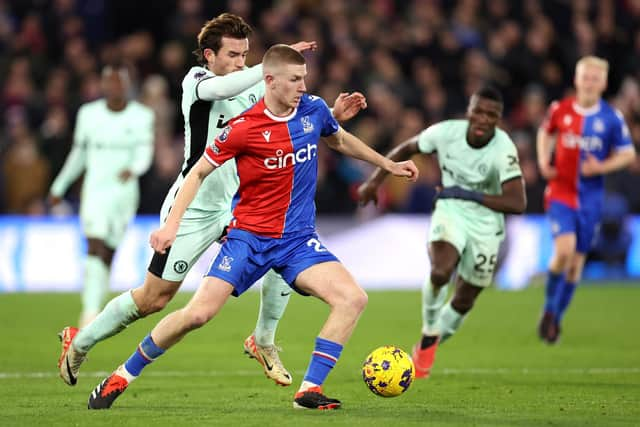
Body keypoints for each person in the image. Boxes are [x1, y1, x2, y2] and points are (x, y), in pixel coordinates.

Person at [85, 44, 417, 410]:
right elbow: (197, 172)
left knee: (353, 298)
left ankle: (308, 390)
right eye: (295, 80)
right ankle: (121, 375)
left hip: (297, 240)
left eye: (304, 78)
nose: (303, 86)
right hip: (249, 240)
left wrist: (387, 164)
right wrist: (171, 226)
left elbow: (337, 138)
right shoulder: (243, 128)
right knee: (197, 315)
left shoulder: (314, 110)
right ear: (270, 81)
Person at [57, 13, 366, 389]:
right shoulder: (197, 82)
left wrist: (330, 116)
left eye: (247, 54)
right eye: (234, 55)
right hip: (193, 208)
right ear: (209, 56)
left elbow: (290, 124)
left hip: (235, 206)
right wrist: (267, 66)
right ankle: (82, 339)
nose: (242, 62)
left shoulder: (255, 86)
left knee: (281, 246)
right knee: (153, 299)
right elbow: (225, 90)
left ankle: (264, 340)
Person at [359, 86, 526, 379]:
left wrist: (468, 194)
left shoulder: (503, 149)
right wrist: (375, 181)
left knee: (464, 299)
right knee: (440, 271)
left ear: (499, 120)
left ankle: (431, 340)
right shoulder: (446, 132)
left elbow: (517, 202)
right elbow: (406, 148)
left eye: (491, 115)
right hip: (450, 211)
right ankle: (429, 329)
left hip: (486, 224)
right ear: (469, 111)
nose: (483, 119)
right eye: (478, 111)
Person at [536, 56, 636, 344]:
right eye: (585, 77)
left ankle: (555, 317)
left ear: (604, 83)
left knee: (576, 263)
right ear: (576, 80)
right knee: (564, 251)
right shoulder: (560, 109)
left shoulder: (611, 118)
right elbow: (545, 132)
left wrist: (600, 167)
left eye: (595, 78)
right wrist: (544, 160)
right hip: (560, 192)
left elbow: (628, 153)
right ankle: (549, 309)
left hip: (591, 199)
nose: (590, 82)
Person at [49, 65, 154, 328]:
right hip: (95, 190)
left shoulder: (141, 116)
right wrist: (59, 186)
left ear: (127, 86)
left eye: (119, 83)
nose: (114, 88)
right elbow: (79, 154)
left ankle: (97, 305)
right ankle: (90, 311)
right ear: (103, 86)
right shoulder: (88, 114)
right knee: (94, 245)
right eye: (110, 82)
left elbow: (145, 152)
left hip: (123, 192)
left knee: (107, 250)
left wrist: (135, 168)